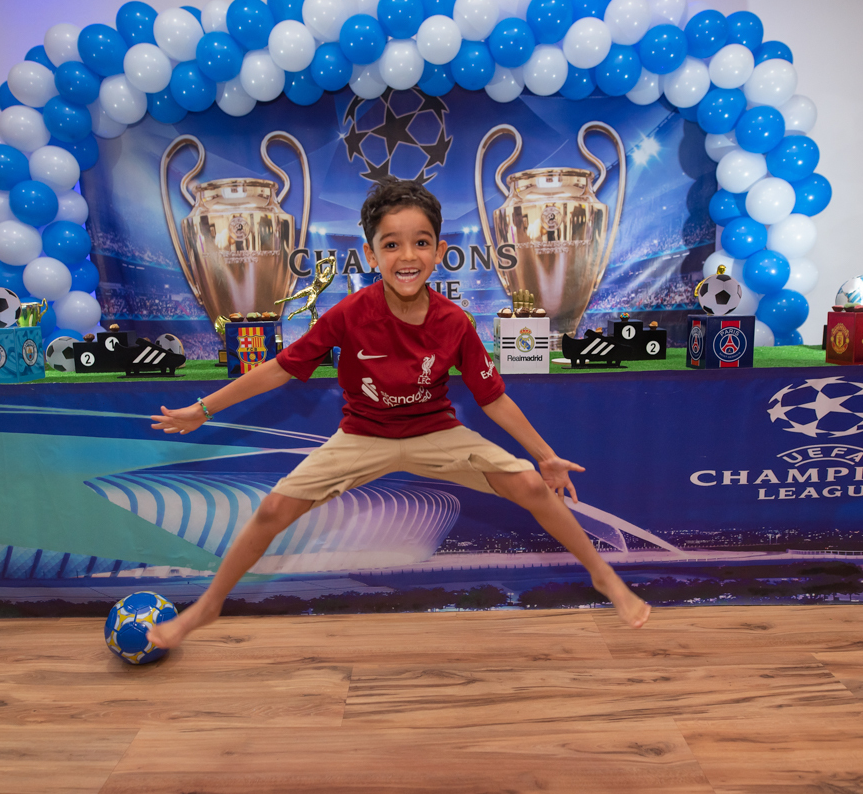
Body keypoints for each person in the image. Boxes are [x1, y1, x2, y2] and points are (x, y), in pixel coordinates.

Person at [147, 180, 650, 649]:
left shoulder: (454, 321)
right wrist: (203, 408)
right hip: (363, 436)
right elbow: (280, 368)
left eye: (420, 243)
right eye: (391, 245)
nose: (407, 256)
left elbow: (493, 397)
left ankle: (603, 575)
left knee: (532, 486)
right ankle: (209, 605)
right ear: (371, 255)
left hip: (435, 432)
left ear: (439, 251)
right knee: (272, 510)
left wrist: (545, 456)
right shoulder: (349, 313)